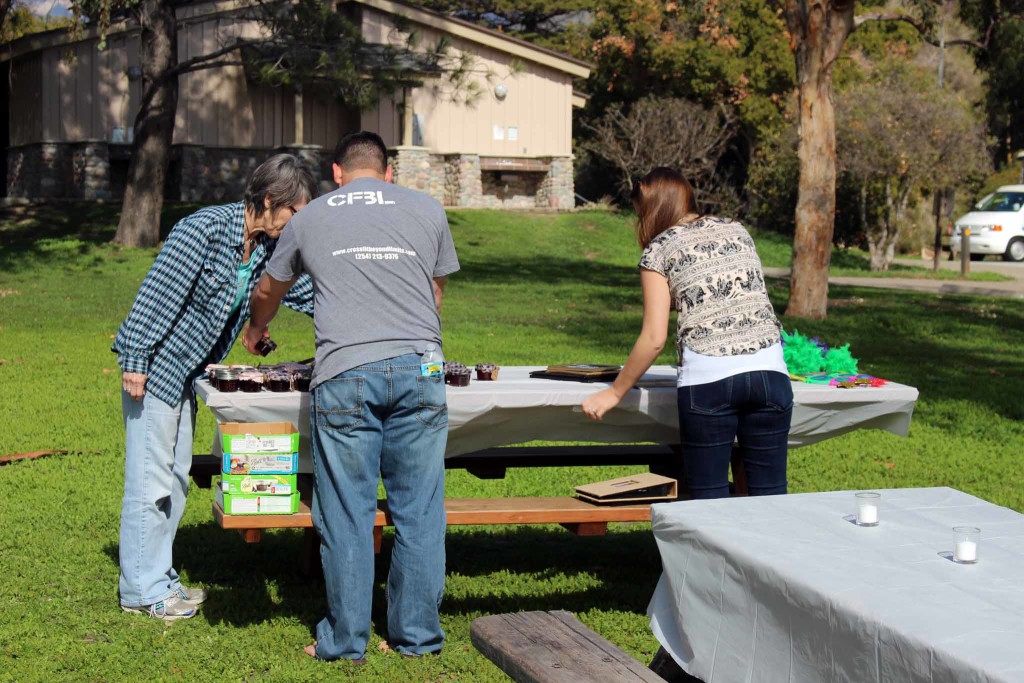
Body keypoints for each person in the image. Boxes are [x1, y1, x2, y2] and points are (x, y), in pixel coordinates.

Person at [245, 131, 459, 662]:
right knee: (420, 510)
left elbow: (269, 289)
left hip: (345, 372)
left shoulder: (309, 217)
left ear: (336, 174)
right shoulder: (429, 209)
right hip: (420, 367)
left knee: (346, 511)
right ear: (389, 173)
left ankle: (343, 642)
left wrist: (256, 329)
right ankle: (417, 637)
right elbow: (434, 293)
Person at [113, 154, 318, 620]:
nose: (296, 225)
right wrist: (136, 361)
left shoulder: (265, 247)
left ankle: (159, 578)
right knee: (150, 484)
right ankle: (141, 592)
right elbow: (157, 295)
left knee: (175, 481)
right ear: (269, 201)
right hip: (155, 372)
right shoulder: (203, 230)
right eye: (294, 214)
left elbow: (296, 292)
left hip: (187, 378)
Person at [581, 167, 792, 499]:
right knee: (771, 497)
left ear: (652, 207)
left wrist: (614, 393)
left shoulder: (659, 249)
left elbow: (654, 338)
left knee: (707, 502)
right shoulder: (738, 231)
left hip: (711, 378)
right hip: (770, 372)